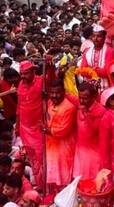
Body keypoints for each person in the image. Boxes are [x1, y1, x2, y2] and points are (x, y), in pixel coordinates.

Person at [43, 80, 77, 193]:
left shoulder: (69, 108)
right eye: (52, 93)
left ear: (63, 92)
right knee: (51, 174)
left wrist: (46, 129)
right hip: (50, 146)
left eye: (57, 93)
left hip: (64, 148)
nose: (54, 96)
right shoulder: (49, 102)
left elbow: (63, 131)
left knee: (63, 175)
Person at [16, 62, 44, 190]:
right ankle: (40, 184)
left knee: (41, 158)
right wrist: (17, 125)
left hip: (38, 128)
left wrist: (49, 66)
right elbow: (19, 107)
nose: (23, 76)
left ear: (33, 72)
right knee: (32, 159)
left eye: (26, 73)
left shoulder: (41, 82)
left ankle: (46, 185)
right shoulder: (20, 85)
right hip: (25, 128)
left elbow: (55, 82)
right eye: (21, 74)